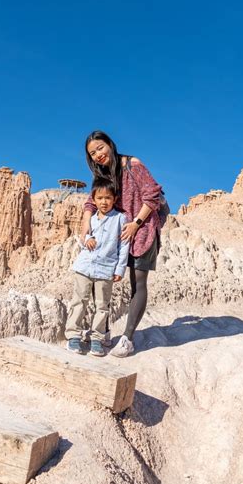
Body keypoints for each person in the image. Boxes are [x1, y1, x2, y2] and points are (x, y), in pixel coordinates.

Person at [81, 130, 162, 357]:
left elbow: (152, 195)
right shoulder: (103, 173)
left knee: (138, 281)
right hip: (114, 233)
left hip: (142, 227)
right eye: (92, 153)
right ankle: (103, 331)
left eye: (100, 148)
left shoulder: (132, 164)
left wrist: (136, 223)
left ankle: (127, 338)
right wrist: (86, 220)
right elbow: (92, 199)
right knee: (104, 278)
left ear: (110, 144)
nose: (98, 154)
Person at [65, 178, 130, 357]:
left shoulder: (120, 219)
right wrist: (88, 239)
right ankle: (73, 335)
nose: (104, 202)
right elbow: (84, 237)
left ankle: (97, 338)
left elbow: (124, 246)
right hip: (84, 267)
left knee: (102, 305)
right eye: (100, 198)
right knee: (79, 301)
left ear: (114, 199)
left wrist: (120, 269)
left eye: (108, 198)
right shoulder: (91, 220)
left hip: (106, 269)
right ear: (93, 200)